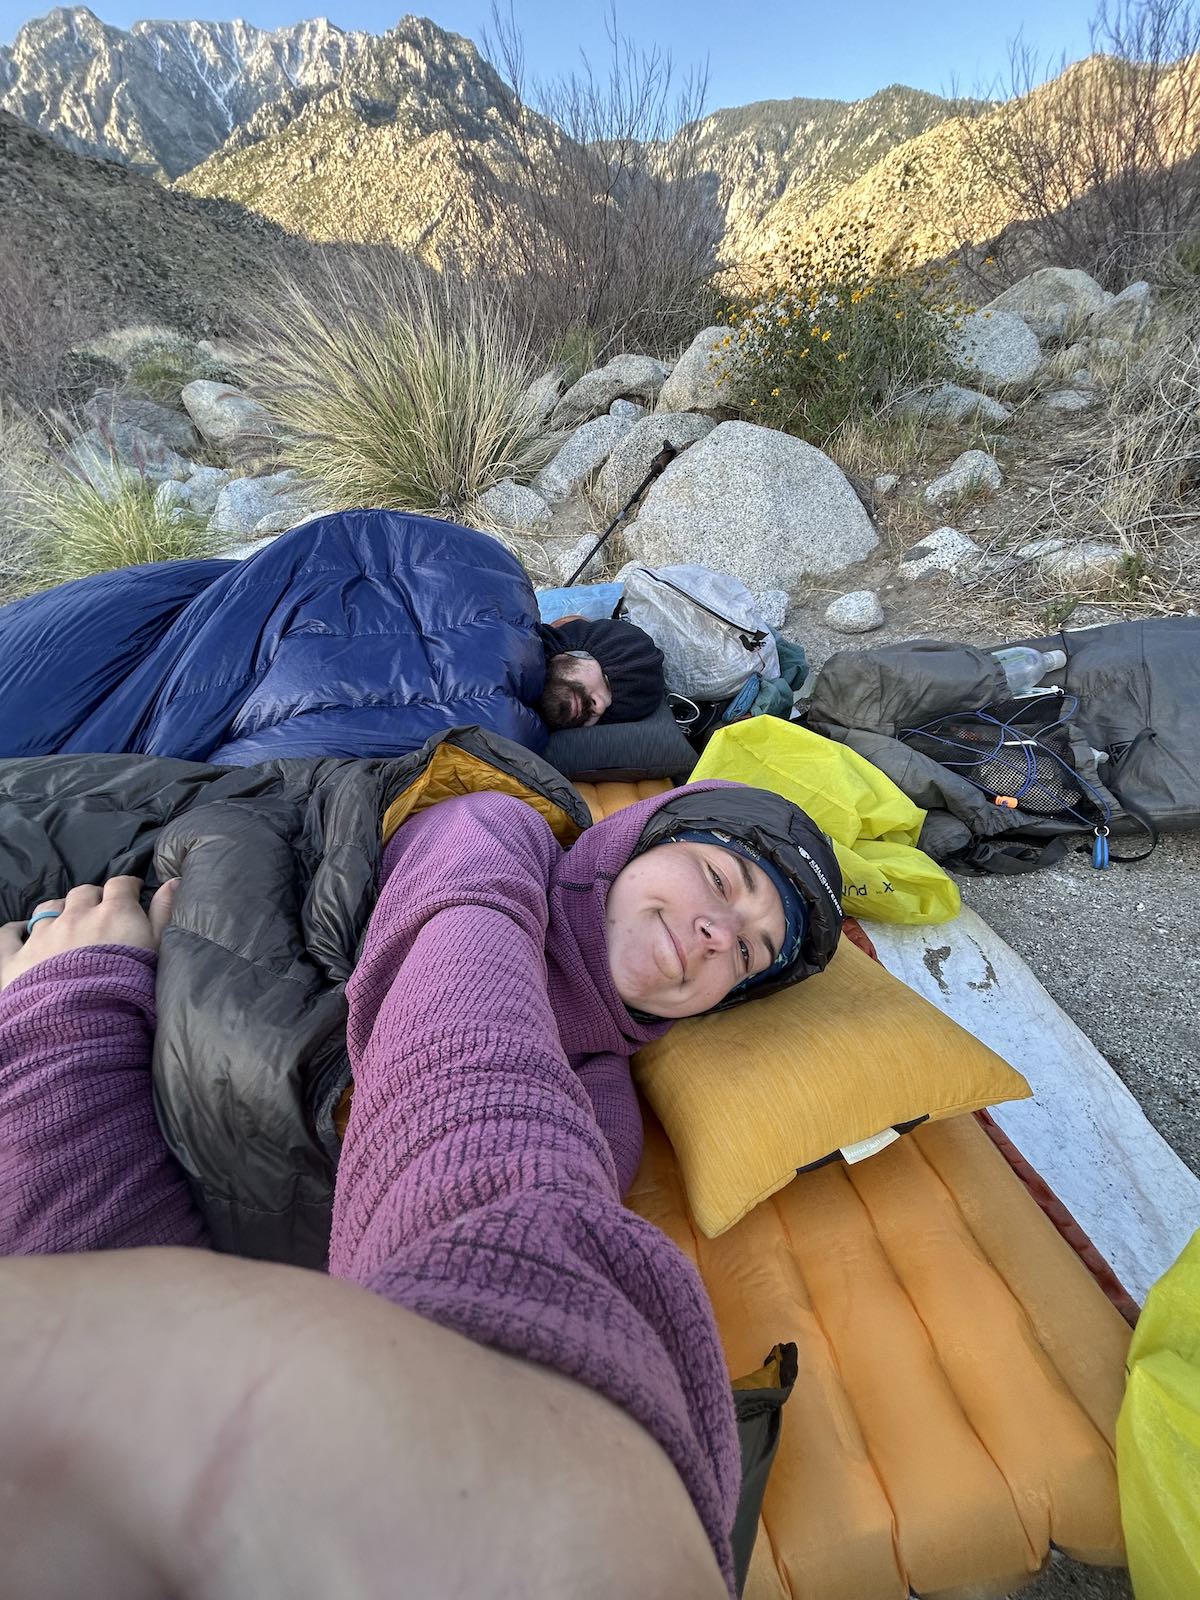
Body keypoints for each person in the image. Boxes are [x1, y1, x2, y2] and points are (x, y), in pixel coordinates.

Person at [0, 781, 841, 1594]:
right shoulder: (493, 837)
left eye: (749, 952)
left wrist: (67, 1033)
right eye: (719, 877)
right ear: (634, 842)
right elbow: (464, 1016)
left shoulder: (603, 1116)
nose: (717, 932)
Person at [0, 509, 664, 762]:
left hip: (188, 714)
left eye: (600, 715)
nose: (591, 710)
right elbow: (344, 537)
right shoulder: (495, 576)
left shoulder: (514, 734)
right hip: (213, 611)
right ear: (573, 641)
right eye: (596, 687)